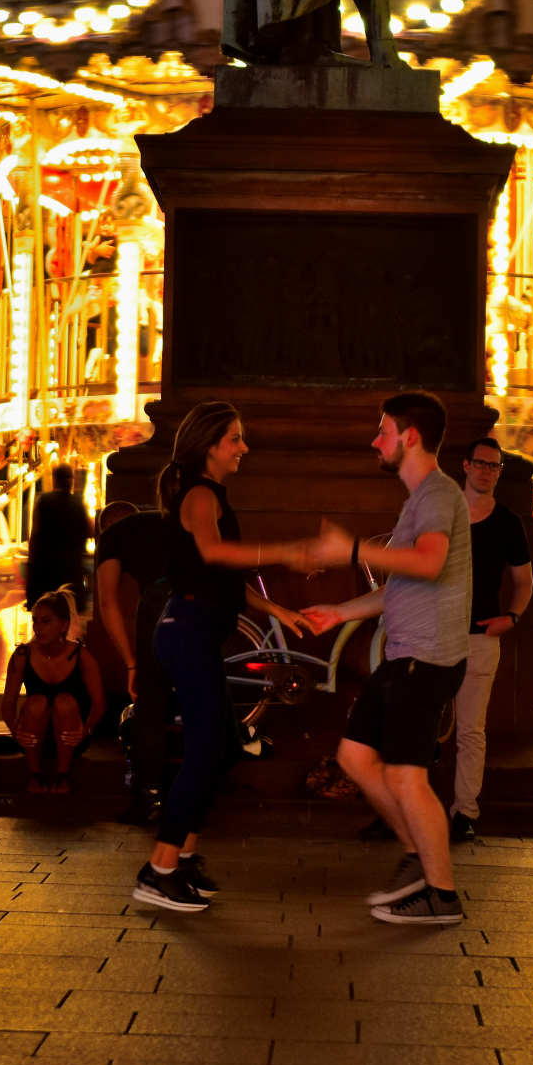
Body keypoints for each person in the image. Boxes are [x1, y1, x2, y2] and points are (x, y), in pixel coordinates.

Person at [129, 401, 325, 913]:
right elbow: (216, 555)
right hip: (187, 630)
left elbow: (221, 578)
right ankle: (159, 868)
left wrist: (278, 609)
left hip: (194, 629)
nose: (243, 447)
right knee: (203, 752)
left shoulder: (207, 494)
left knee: (223, 748)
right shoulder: (199, 493)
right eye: (236, 438)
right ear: (210, 445)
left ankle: (184, 857)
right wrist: (284, 551)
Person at [302, 393, 473, 927]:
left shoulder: (438, 493)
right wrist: (339, 612)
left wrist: (351, 550)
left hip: (426, 658)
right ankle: (420, 861)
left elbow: (429, 561)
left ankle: (440, 894)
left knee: (405, 775)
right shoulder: (418, 500)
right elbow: (402, 582)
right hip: (404, 656)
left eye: (382, 431)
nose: (376, 440)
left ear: (410, 437)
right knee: (355, 758)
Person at [449, 436, 533, 843]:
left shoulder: (507, 523)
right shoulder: (442, 513)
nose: (486, 470)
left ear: (500, 472)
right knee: (420, 723)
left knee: (470, 729)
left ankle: (464, 810)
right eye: (481, 463)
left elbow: (524, 581)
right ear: (466, 466)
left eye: (494, 466)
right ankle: (408, 805)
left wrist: (511, 618)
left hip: (480, 635)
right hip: (433, 632)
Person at [94, 502, 171, 822]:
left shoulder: (113, 535)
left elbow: (108, 602)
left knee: (150, 702)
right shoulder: (166, 520)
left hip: (161, 595)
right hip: (206, 595)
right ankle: (198, 793)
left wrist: (131, 663)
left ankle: (147, 796)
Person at [1, 586, 104, 793]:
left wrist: (87, 730)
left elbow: (99, 703)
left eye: (46, 621)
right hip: (33, 735)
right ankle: (34, 775)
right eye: (35, 621)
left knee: (64, 701)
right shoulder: (23, 655)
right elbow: (7, 704)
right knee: (36, 701)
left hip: (71, 736)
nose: (38, 627)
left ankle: (62, 775)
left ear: (63, 625)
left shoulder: (81, 655)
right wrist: (15, 730)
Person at [26, 463, 91, 609]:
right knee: (68, 609)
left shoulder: (44, 501)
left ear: (54, 479)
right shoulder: (78, 503)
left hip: (46, 566)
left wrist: (31, 562)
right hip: (70, 567)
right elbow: (90, 530)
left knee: (46, 608)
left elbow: (35, 533)